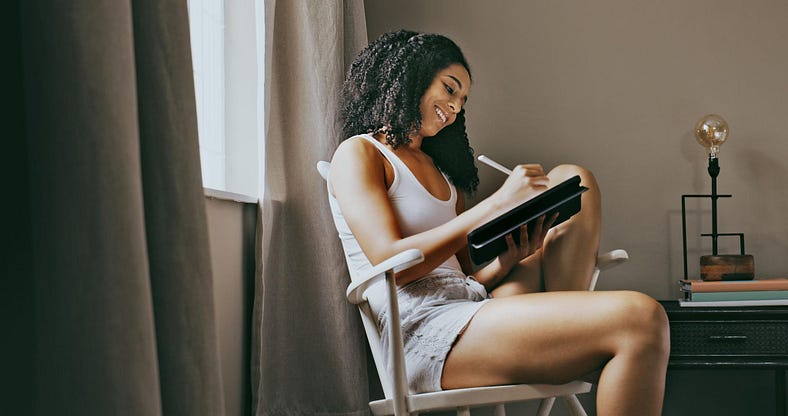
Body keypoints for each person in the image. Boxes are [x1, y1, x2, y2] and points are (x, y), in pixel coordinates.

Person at [327, 29, 669, 415]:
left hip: (470, 306)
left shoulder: (440, 172)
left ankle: (572, 323)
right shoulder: (359, 153)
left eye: (462, 100)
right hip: (425, 334)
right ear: (412, 76)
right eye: (450, 89)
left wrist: (509, 260)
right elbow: (393, 263)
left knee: (574, 178)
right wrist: (497, 203)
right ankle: (582, 333)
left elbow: (462, 277)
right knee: (641, 317)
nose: (455, 108)